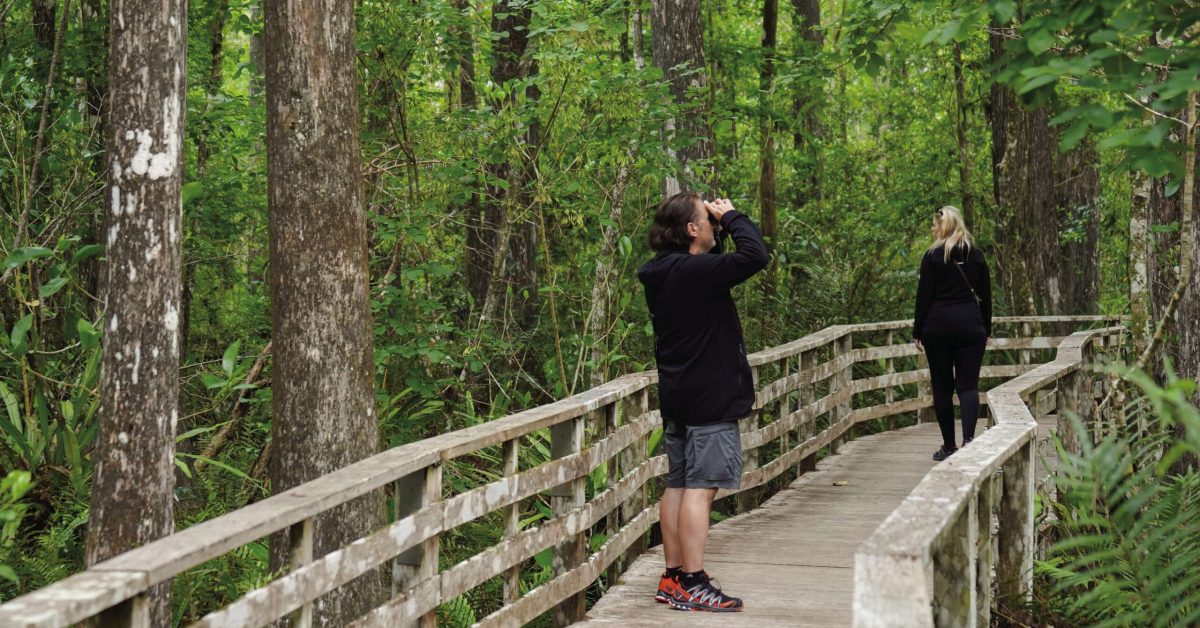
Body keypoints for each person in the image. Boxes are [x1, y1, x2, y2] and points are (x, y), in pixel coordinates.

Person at [637, 192, 768, 612]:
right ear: (692, 229)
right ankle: (693, 581)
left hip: (680, 394)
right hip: (711, 396)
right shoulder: (695, 272)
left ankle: (673, 576)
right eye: (706, 219)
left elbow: (725, 264)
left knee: (678, 483)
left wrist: (720, 229)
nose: (714, 223)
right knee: (701, 487)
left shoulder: (662, 271)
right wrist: (733, 216)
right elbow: (755, 256)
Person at [912, 205, 992, 462]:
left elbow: (924, 297)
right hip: (971, 327)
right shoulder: (976, 255)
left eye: (935, 225)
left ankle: (949, 446)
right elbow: (986, 298)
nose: (932, 229)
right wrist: (986, 329)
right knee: (968, 386)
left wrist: (918, 330)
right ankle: (969, 440)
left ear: (944, 226)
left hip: (938, 328)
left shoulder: (933, 257)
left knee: (942, 387)